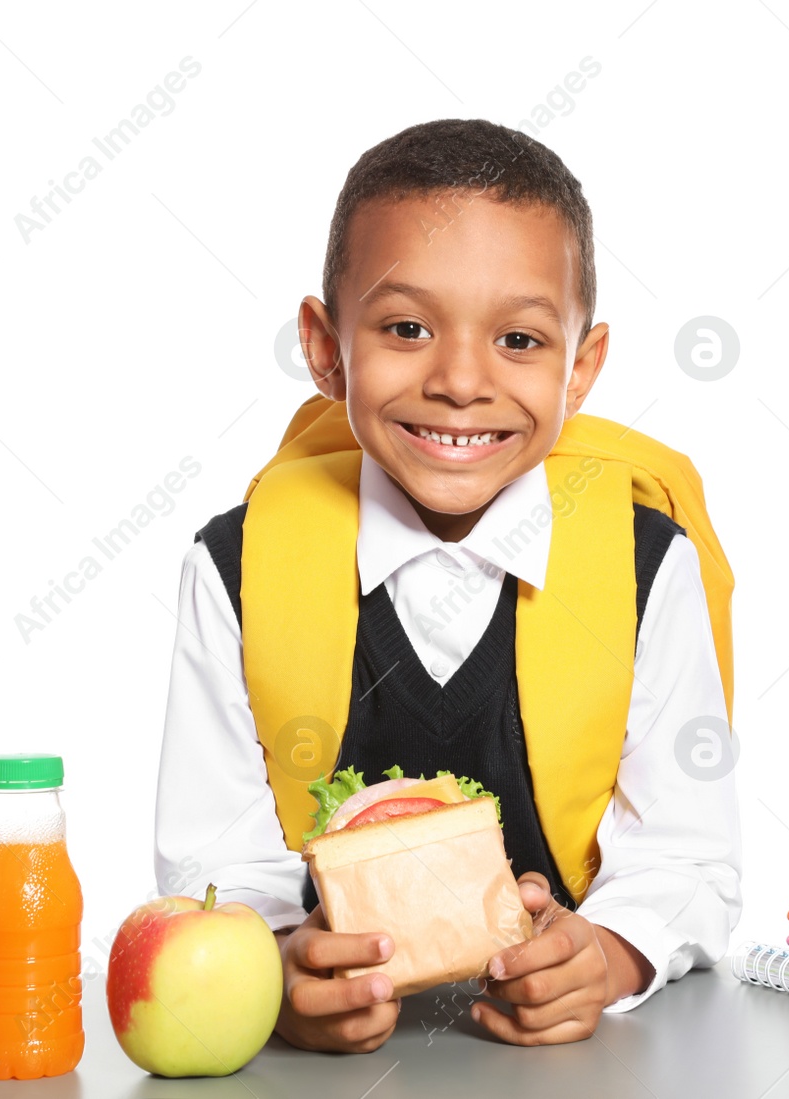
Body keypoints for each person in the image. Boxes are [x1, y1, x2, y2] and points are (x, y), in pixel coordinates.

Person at [153, 118, 740, 1051]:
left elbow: (687, 856)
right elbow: (213, 861)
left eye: (518, 337)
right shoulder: (235, 567)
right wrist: (279, 969)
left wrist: (605, 956)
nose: (462, 380)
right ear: (325, 347)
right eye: (406, 328)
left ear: (580, 367)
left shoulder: (645, 562)